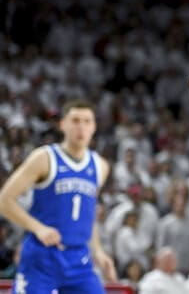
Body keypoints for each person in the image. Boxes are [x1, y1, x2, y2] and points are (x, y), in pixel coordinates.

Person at [0, 100, 118, 293]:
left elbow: (88, 215)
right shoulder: (44, 158)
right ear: (62, 124)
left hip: (79, 259)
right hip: (42, 258)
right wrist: (38, 228)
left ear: (94, 126)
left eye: (87, 121)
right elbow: (4, 201)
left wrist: (98, 250)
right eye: (75, 120)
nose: (81, 127)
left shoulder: (100, 166)